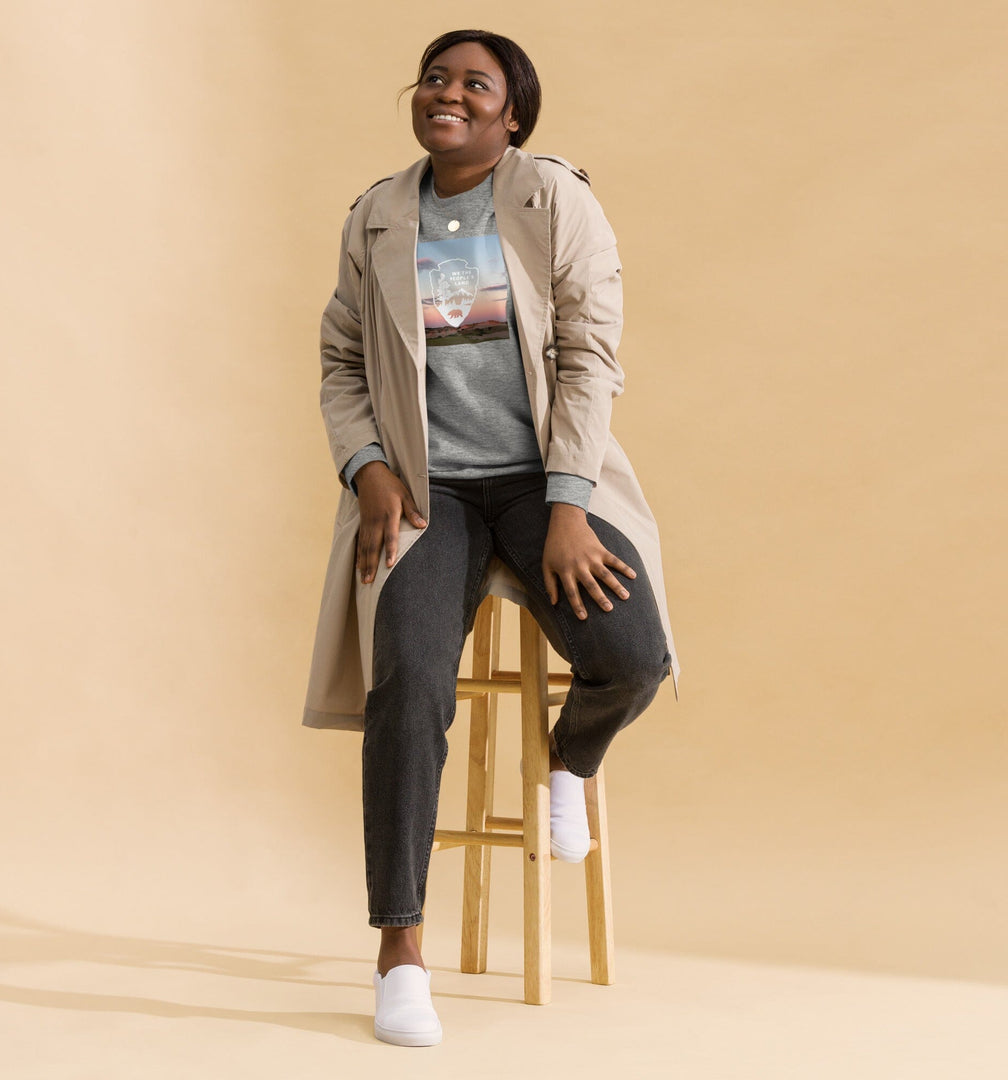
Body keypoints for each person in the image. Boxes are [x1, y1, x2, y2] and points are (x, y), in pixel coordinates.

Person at [304, 28, 681, 1046]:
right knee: (410, 683)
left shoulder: (554, 199)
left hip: (544, 478)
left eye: (478, 84)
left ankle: (571, 762)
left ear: (514, 115)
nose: (449, 94)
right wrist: (368, 469)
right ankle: (400, 951)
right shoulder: (380, 214)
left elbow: (591, 353)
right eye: (437, 78)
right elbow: (342, 356)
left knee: (631, 655)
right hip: (429, 495)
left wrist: (567, 507)